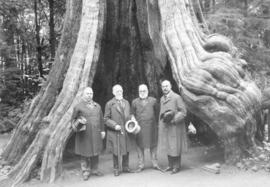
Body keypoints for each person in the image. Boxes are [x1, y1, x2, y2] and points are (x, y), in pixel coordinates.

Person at [71, 87, 106, 180]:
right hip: (84, 134)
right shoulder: (78, 106)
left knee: (95, 151)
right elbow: (73, 120)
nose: (89, 95)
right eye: (87, 93)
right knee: (85, 153)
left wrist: (102, 130)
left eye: (91, 93)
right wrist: (78, 123)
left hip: (96, 133)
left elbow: (101, 120)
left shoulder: (97, 106)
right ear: (83, 95)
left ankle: (95, 170)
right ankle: (85, 171)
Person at [104, 84, 134, 176]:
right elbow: (105, 119)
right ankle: (116, 168)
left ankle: (125, 167)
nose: (119, 92)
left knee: (126, 148)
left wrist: (132, 119)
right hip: (115, 131)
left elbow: (129, 115)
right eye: (117, 91)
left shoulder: (126, 102)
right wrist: (115, 125)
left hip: (125, 130)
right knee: (116, 150)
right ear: (113, 93)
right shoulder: (109, 103)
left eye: (121, 91)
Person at [131, 84, 162, 172]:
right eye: (140, 91)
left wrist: (157, 124)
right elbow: (132, 114)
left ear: (147, 91)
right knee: (139, 145)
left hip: (152, 127)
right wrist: (133, 121)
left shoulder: (153, 101)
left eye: (144, 91)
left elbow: (158, 113)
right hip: (139, 128)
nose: (142, 92)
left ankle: (155, 164)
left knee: (153, 145)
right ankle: (141, 165)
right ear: (138, 92)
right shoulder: (134, 102)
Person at [159, 80, 187, 174]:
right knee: (168, 146)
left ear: (170, 86)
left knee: (175, 146)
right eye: (163, 86)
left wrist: (174, 120)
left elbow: (183, 112)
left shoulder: (176, 97)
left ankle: (176, 166)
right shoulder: (162, 99)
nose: (165, 88)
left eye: (166, 86)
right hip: (166, 127)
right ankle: (170, 165)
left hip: (174, 126)